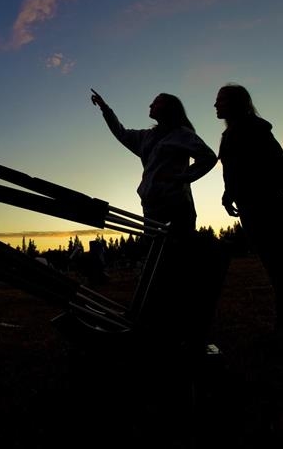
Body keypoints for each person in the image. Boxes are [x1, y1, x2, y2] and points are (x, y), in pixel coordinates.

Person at [90, 90, 223, 365]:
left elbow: (208, 157)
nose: (150, 104)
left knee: (179, 263)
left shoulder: (182, 134)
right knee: (154, 262)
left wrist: (184, 177)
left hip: (177, 206)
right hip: (151, 206)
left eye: (156, 102)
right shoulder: (146, 137)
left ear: (169, 108)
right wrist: (106, 109)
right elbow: (121, 133)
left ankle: (184, 325)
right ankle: (155, 319)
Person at [214, 83, 283, 337]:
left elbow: (282, 168)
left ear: (236, 103)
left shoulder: (256, 130)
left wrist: (264, 195)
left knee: (280, 264)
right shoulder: (231, 135)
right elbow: (235, 172)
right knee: (275, 264)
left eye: (221, 100)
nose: (215, 105)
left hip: (264, 206)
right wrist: (230, 195)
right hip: (250, 206)